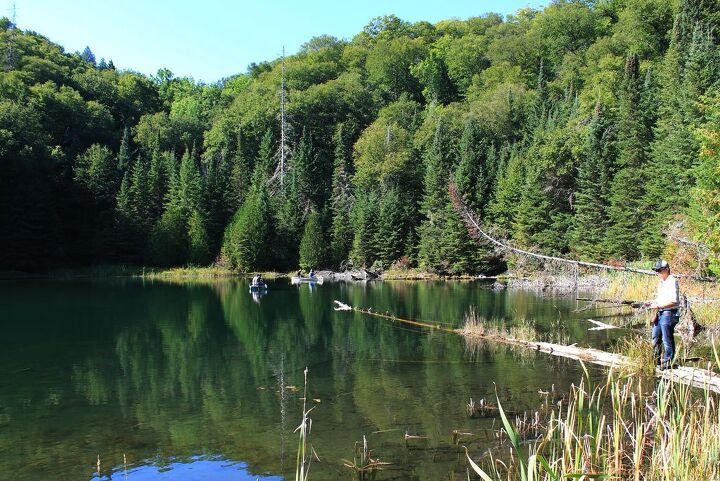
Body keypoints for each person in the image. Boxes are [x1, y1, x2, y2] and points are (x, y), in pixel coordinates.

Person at [647, 260, 680, 369]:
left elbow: (674, 301)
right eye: (657, 270)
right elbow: (660, 300)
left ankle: (668, 362)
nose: (658, 272)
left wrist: (659, 306)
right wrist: (655, 310)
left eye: (659, 270)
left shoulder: (672, 281)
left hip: (669, 313)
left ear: (666, 269)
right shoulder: (661, 282)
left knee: (667, 339)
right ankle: (655, 361)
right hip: (661, 313)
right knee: (655, 337)